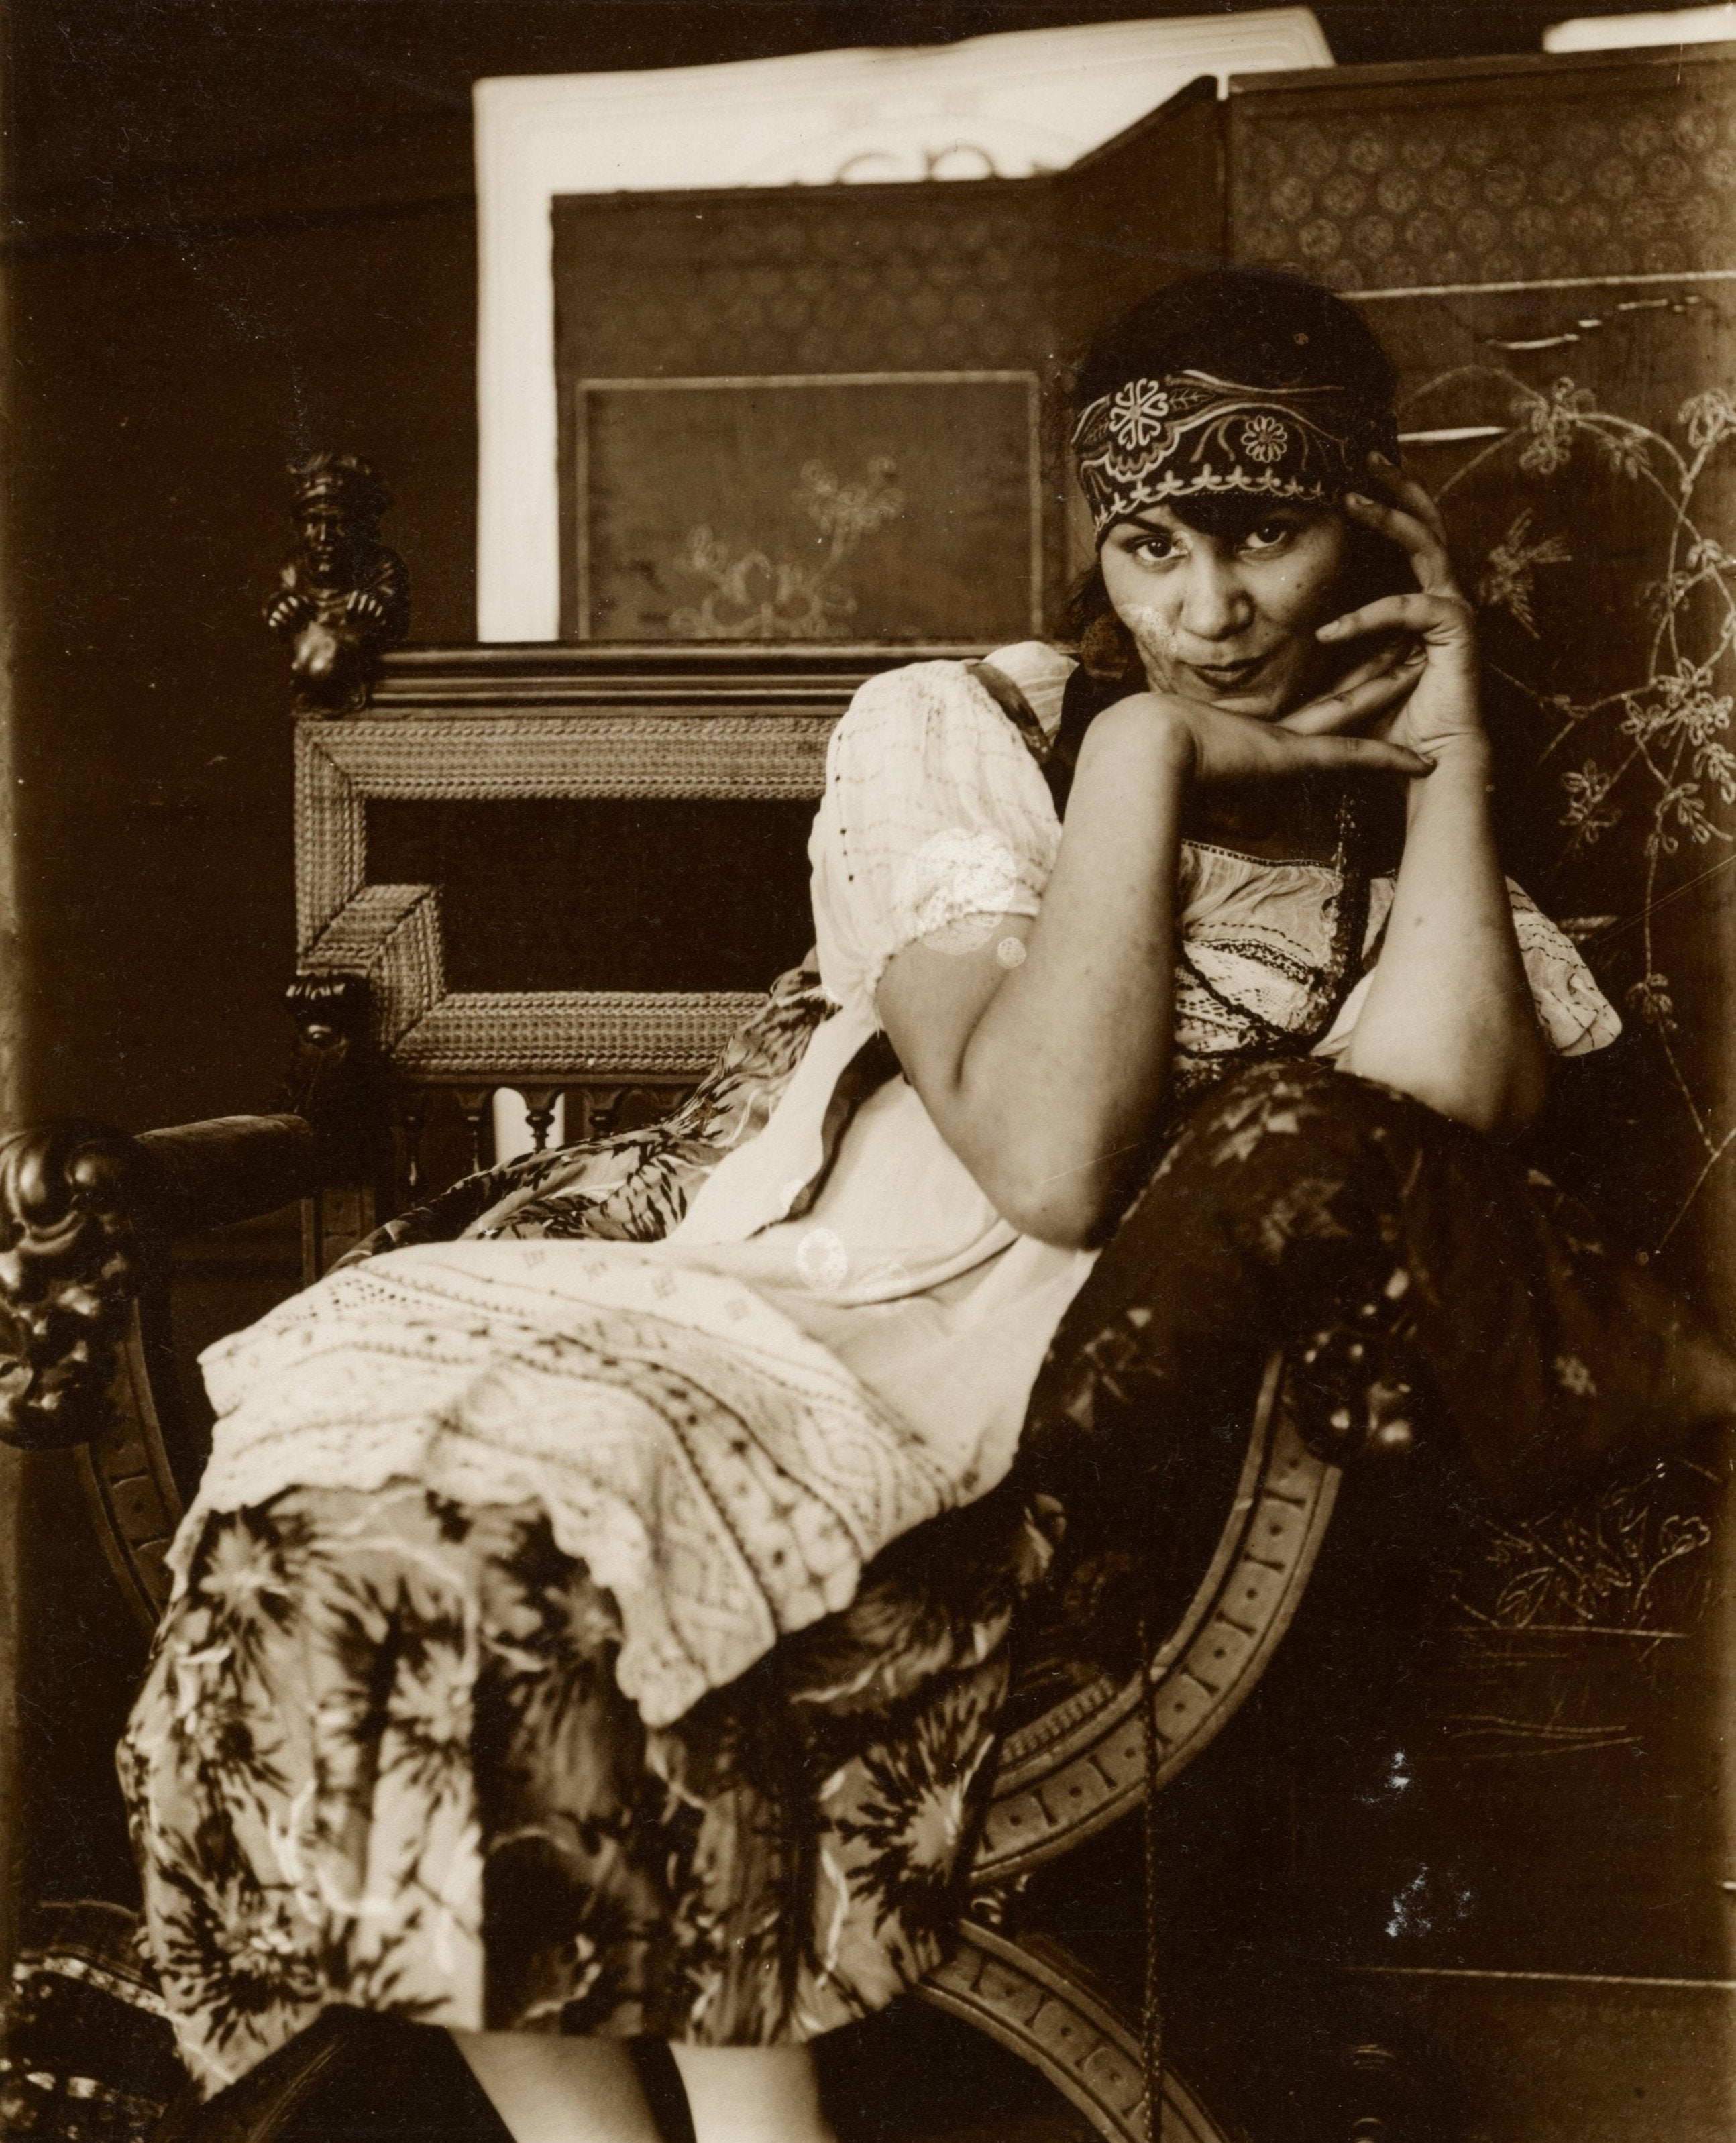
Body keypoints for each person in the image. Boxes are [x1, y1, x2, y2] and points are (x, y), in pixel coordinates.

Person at [117, 269, 1733, 2143]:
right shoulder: (964, 733)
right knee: (388, 1520)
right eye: (1146, 546)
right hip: (778, 1293)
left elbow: (1434, 1118)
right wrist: (1137, 761)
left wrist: (1445, 754)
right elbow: (1029, 1138)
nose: (1202, 612)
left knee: (574, 1528)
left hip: (1013, 1393)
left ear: (1377, 532)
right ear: (1096, 546)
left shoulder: (1400, 872)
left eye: (1266, 536)